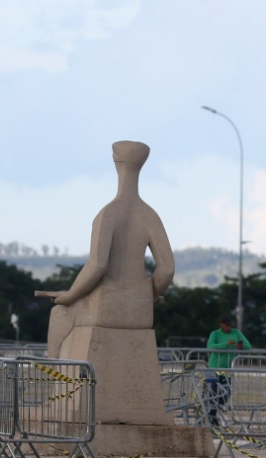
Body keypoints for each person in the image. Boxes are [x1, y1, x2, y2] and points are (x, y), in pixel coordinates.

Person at [43, 141, 175, 358]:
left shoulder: (109, 213)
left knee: (59, 314)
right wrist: (149, 294)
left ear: (116, 163)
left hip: (107, 307)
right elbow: (167, 269)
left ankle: (57, 378)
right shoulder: (151, 216)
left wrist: (69, 295)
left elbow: (98, 265)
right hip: (140, 310)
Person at [204, 316, 251, 423]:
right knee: (212, 391)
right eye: (226, 325)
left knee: (226, 392)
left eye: (230, 325)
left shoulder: (236, 333)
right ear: (221, 324)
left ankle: (215, 411)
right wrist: (226, 344)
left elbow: (248, 345)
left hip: (227, 369)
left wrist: (241, 347)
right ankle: (210, 414)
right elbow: (210, 346)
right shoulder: (215, 334)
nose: (228, 328)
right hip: (213, 368)